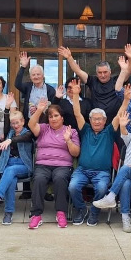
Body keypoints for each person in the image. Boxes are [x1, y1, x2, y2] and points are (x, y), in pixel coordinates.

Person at [68, 85, 128, 227]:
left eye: (100, 119)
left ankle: (94, 212)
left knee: (101, 188)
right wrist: (76, 95)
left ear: (105, 120)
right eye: (94, 119)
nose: (97, 121)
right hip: (82, 170)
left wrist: (126, 99)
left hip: (102, 172)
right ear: (90, 120)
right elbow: (77, 114)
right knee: (72, 186)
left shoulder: (109, 131)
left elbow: (120, 115)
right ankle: (82, 210)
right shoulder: (86, 130)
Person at [28, 98, 80, 229]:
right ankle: (36, 215)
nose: (53, 119)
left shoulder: (71, 131)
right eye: (50, 116)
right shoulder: (44, 129)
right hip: (43, 164)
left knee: (60, 178)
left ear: (62, 118)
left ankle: (61, 212)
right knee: (38, 179)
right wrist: (39, 110)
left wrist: (68, 140)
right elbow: (31, 124)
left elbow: (75, 153)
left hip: (63, 165)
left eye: (56, 116)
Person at [0, 107, 34, 225]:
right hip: (9, 165)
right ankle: (8, 213)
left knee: (10, 171)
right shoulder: (9, 133)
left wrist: (9, 140)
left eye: (17, 122)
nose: (15, 125)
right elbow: (6, 124)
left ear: (22, 122)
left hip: (23, 165)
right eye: (13, 123)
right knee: (11, 181)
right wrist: (7, 108)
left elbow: (22, 138)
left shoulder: (27, 133)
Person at [58, 45, 130, 124]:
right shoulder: (92, 81)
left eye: (105, 72)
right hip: (96, 123)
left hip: (115, 123)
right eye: (100, 72)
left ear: (110, 72)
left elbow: (129, 72)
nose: (102, 75)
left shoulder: (117, 81)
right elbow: (78, 71)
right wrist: (69, 58)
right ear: (96, 73)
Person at [15, 51, 56, 122]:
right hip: (29, 122)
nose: (36, 77)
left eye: (38, 74)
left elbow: (53, 108)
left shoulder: (50, 90)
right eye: (33, 75)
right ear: (30, 77)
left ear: (43, 76)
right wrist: (23, 67)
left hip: (45, 123)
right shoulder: (28, 87)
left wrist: (39, 109)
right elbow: (17, 84)